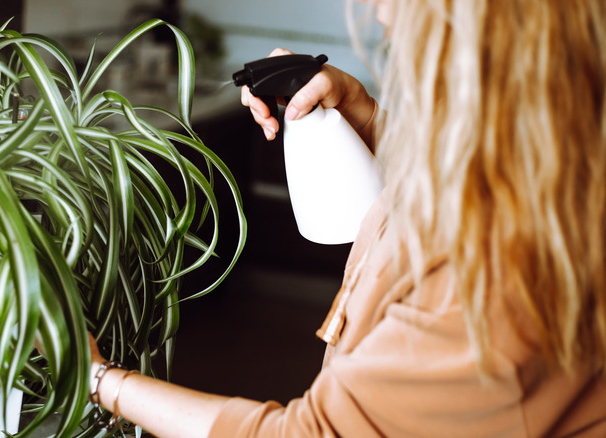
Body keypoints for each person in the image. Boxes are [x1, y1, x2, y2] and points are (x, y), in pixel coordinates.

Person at [82, 0, 606, 436]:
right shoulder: (559, 160)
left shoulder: (494, 279)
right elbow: (463, 182)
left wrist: (98, 376)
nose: (384, 13)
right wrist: (365, 112)